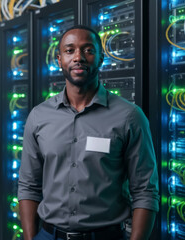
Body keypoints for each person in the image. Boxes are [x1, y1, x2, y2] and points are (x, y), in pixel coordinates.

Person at [17, 25, 159, 240]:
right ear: (59, 60)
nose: (78, 57)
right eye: (69, 50)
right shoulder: (39, 116)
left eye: (88, 50)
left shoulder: (129, 116)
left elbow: (145, 191)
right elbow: (29, 186)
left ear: (101, 58)